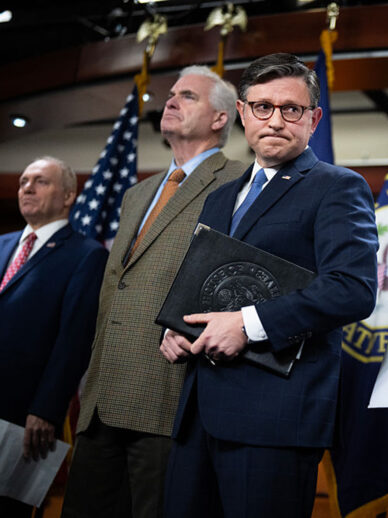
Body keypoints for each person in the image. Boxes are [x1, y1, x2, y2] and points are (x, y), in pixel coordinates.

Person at [160, 53, 378, 518]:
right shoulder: (218, 198)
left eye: (291, 109)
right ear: (242, 113)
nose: (275, 120)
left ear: (314, 119)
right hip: (197, 417)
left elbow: (352, 289)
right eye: (262, 107)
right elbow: (203, 284)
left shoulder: (338, 187)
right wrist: (177, 327)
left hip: (275, 422)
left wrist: (249, 324)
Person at [62, 66, 244, 518]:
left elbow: (238, 277)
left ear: (221, 118)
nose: (172, 101)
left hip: (169, 396)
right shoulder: (137, 194)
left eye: (188, 96)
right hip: (102, 397)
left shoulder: (239, 181)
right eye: (171, 94)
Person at [0, 156, 108, 517]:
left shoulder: (86, 254)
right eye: (23, 181)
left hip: (23, 415)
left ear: (67, 196)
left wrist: (46, 409)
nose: (27, 187)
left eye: (41, 181)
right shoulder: (1, 244)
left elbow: (73, 339)